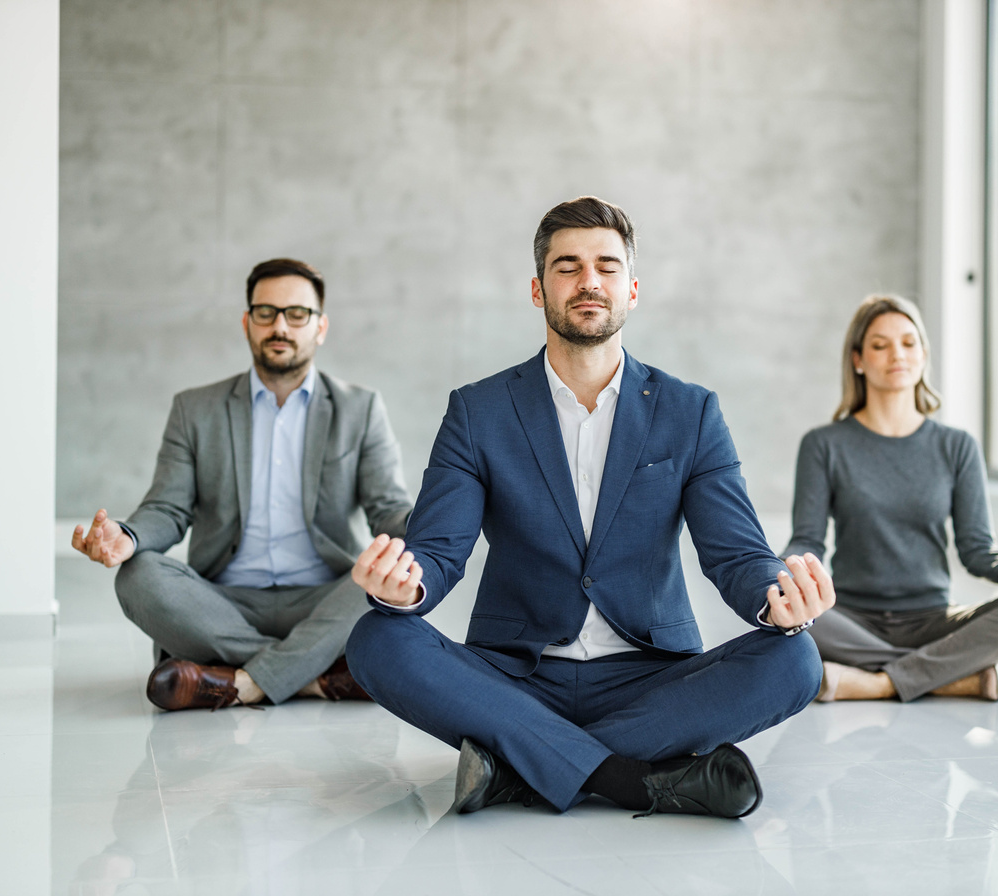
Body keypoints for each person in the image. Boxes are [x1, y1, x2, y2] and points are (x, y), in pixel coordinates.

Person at [345, 196, 831, 819]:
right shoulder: (479, 410)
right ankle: (632, 779)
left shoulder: (691, 411)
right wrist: (401, 587)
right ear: (538, 288)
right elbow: (437, 553)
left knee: (795, 657)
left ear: (631, 288)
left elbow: (736, 553)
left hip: (650, 682)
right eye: (567, 266)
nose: (588, 281)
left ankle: (519, 770)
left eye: (605, 265)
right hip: (515, 679)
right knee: (377, 638)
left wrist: (777, 600)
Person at [71, 258, 413, 711]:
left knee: (380, 583)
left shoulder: (361, 408)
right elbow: (168, 510)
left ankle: (229, 680)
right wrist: (127, 535)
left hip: (323, 597)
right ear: (247, 323)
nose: (280, 327)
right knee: (138, 577)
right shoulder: (195, 409)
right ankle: (314, 674)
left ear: (320, 327)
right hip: (224, 601)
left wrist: (436, 521)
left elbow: (387, 508)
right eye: (266, 313)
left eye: (297, 314)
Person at [783, 294, 998, 702]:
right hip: (848, 619)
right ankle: (946, 674)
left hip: (933, 619)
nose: (898, 354)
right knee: (785, 616)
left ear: (924, 355)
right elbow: (807, 539)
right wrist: (782, 573)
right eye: (880, 345)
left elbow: (978, 552)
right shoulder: (823, 444)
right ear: (858, 360)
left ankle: (879, 682)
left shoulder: (956, 446)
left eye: (909, 343)